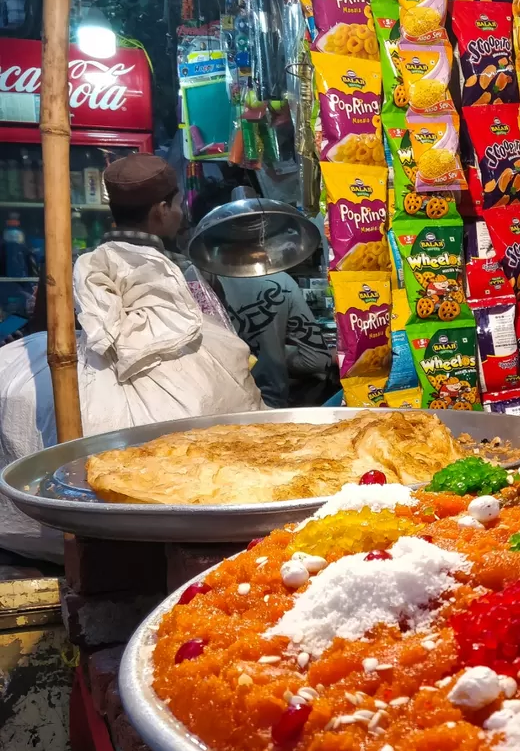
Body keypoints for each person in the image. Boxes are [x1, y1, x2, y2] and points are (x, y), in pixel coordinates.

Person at [0, 154, 262, 561]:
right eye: (176, 206)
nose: (177, 214)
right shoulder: (185, 272)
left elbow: (47, 336)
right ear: (162, 209)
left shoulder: (68, 267)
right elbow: (225, 341)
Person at [186, 182, 334, 408]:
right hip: (272, 408)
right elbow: (316, 359)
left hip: (216, 406)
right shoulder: (280, 280)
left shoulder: (188, 279)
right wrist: (271, 353)